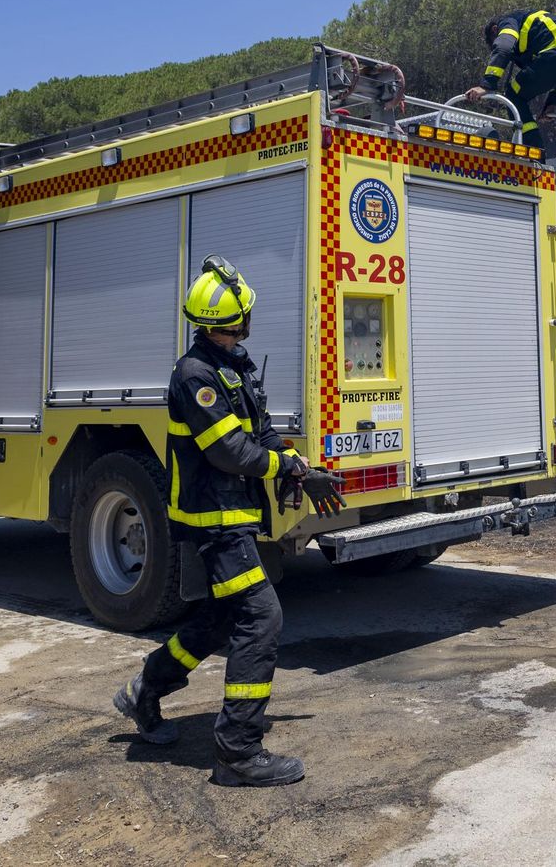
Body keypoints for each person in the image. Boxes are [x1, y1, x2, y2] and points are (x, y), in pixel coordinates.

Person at [113, 255, 344, 787]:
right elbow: (229, 453)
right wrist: (283, 466)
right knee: (261, 619)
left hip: (233, 517)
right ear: (229, 321)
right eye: (246, 315)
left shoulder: (233, 365)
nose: (249, 323)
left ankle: (143, 692)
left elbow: (257, 434)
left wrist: (300, 466)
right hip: (212, 521)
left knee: (217, 622)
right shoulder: (195, 375)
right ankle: (238, 753)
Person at [464, 9, 556, 219]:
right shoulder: (542, 28)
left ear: (495, 29)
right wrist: (552, 103)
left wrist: (487, 85)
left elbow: (503, 46)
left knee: (514, 94)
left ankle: (535, 151)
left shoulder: (508, 21)